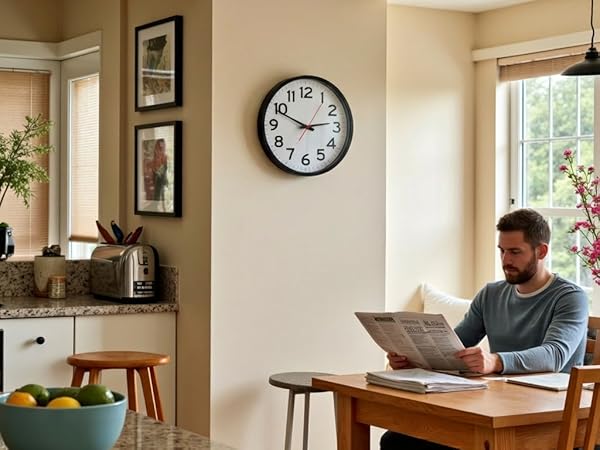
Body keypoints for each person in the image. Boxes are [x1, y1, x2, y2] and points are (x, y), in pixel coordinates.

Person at [380, 208, 589, 450]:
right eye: (501, 251)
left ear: (541, 251)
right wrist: (415, 359)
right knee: (395, 441)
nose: (505, 260)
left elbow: (554, 355)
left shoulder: (570, 297)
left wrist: (495, 362)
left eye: (515, 252)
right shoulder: (491, 294)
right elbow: (454, 344)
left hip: (549, 418)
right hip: (498, 409)